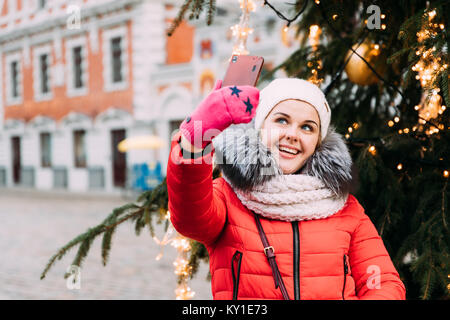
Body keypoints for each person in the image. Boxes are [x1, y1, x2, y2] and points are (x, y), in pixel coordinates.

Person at [166, 78, 406, 300]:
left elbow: (382, 281)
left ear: (318, 142)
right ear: (260, 127)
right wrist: (195, 136)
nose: (292, 135)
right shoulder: (227, 196)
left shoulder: (345, 207)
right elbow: (189, 218)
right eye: (282, 120)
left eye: (308, 127)